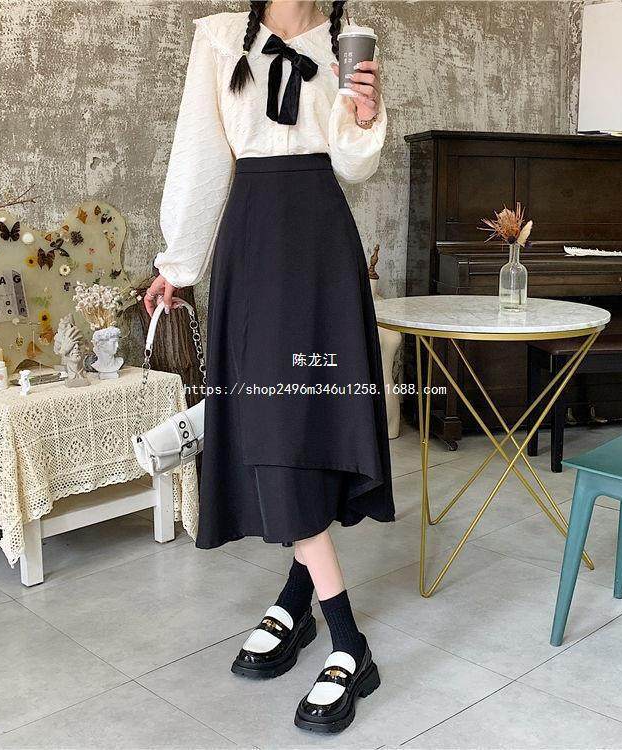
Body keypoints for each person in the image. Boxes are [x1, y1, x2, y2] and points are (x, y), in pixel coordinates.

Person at [144, 0, 394, 734]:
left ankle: (334, 631)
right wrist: (178, 265)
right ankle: (320, 617)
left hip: (322, 248)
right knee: (275, 424)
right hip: (254, 245)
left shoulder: (348, 39)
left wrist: (364, 115)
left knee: (305, 422)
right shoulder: (221, 38)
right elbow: (199, 152)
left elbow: (354, 164)